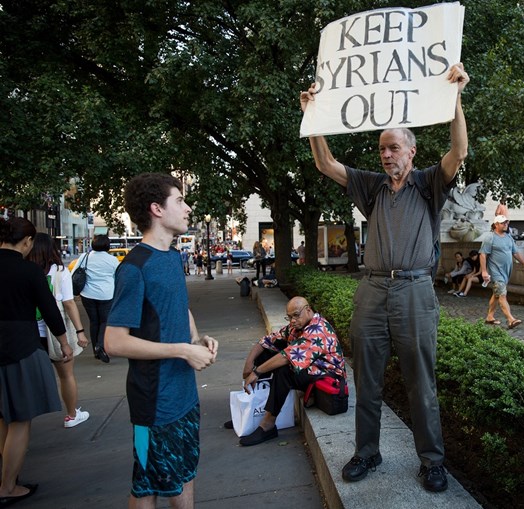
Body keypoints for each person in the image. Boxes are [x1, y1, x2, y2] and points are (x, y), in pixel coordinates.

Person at [300, 62, 469, 493]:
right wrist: (314, 118)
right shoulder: (372, 186)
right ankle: (367, 451)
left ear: (411, 152)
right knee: (367, 379)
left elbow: (459, 153)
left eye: (393, 147)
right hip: (373, 289)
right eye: (382, 148)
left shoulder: (429, 183)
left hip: (414, 289)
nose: (386, 154)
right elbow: (326, 164)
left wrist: (456, 99)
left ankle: (432, 461)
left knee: (421, 382)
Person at [104, 173, 218, 508]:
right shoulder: (134, 267)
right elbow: (113, 342)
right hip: (153, 402)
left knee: (184, 472)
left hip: (183, 395)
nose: (188, 208)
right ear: (157, 208)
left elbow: (179, 308)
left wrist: (197, 340)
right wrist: (182, 350)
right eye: (180, 200)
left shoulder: (171, 256)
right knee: (147, 486)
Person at [0, 217, 71, 505]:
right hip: (19, 346)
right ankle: (7, 487)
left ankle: (5, 478)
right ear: (27, 242)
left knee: (2, 417)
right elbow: (50, 310)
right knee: (20, 418)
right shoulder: (28, 271)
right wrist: (64, 341)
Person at [229, 297, 346, 446]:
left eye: (296, 315)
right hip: (310, 369)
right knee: (266, 354)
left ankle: (268, 425)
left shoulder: (318, 329)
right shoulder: (296, 326)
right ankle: (250, 408)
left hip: (326, 377)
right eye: (289, 317)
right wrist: (249, 363)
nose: (292, 320)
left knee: (285, 369)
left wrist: (256, 372)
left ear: (308, 310)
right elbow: (267, 341)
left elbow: (288, 357)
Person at [28, 233, 91, 427]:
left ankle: (19, 422)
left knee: (26, 380)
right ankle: (71, 416)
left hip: (29, 334)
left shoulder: (25, 270)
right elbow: (69, 303)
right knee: (66, 376)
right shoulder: (59, 271)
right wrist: (80, 331)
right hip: (56, 333)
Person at [73, 234, 119, 363]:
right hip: (106, 294)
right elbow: (118, 276)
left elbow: (75, 272)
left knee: (94, 322)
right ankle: (100, 345)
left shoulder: (84, 257)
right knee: (105, 321)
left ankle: (95, 350)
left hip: (87, 294)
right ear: (107, 245)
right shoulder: (112, 260)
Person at [479, 215, 524, 328]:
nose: (505, 225)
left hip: (506, 272)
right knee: (502, 295)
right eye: (503, 223)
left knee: (496, 294)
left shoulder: (508, 237)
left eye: (507, 223)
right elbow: (483, 255)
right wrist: (483, 271)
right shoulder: (490, 237)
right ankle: (511, 319)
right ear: (496, 224)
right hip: (495, 272)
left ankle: (490, 317)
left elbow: (515, 252)